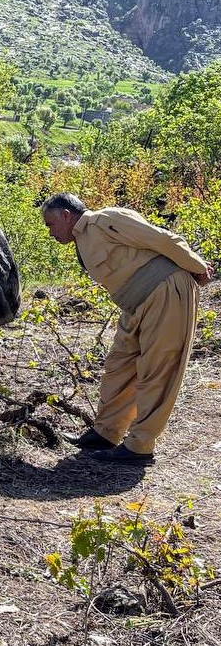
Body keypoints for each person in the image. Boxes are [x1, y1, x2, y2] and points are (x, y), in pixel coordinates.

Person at [41, 192, 214, 464]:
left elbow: (161, 238)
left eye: (50, 224)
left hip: (165, 291)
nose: (49, 232)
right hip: (134, 304)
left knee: (158, 369)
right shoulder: (82, 240)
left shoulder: (105, 219)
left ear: (65, 214)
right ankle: (105, 433)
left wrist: (198, 267)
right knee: (119, 366)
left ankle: (139, 447)